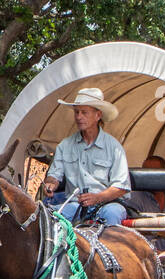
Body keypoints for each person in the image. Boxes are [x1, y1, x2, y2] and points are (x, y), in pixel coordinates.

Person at [41, 87, 130, 226]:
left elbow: (121, 186)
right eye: (76, 112)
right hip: (75, 205)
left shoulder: (114, 147)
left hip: (108, 205)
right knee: (51, 219)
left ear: (98, 115)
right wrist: (50, 184)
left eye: (84, 112)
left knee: (113, 215)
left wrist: (97, 197)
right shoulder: (65, 146)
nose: (78, 117)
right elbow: (54, 175)